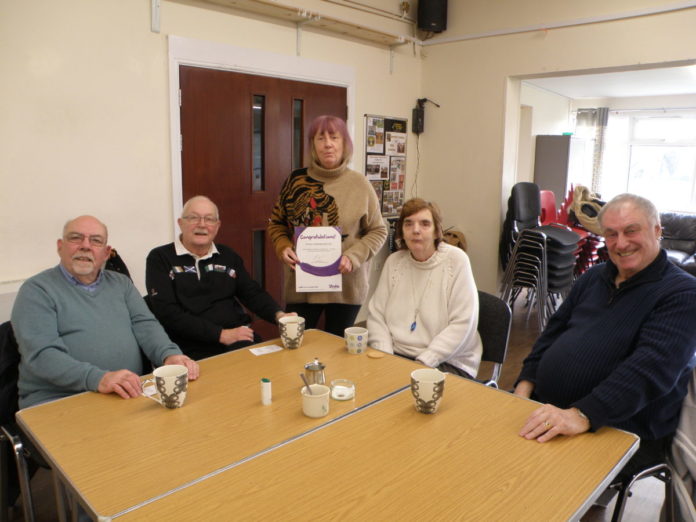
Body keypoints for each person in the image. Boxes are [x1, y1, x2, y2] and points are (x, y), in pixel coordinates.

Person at [514, 193, 696, 480]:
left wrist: (582, 415)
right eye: (611, 234)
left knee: (532, 487)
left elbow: (649, 371)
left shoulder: (683, 294)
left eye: (631, 230)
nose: (621, 243)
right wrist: (524, 387)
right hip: (549, 411)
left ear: (657, 230)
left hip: (619, 428)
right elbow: (552, 334)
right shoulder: (594, 276)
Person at [11, 215, 199, 409]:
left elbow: (146, 326)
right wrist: (99, 378)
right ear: (60, 246)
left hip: (123, 393)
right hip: (58, 400)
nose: (85, 246)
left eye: (96, 241)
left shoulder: (121, 284)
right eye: (76, 238)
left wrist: (168, 355)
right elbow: (42, 355)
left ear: (107, 253)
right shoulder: (37, 290)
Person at [268, 115, 387, 336]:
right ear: (313, 145)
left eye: (334, 137)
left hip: (346, 287)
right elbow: (277, 223)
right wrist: (282, 246)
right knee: (295, 343)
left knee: (338, 349)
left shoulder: (360, 185)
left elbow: (379, 230)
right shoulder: (295, 181)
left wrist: (354, 257)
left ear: (345, 144)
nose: (328, 144)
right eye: (320, 138)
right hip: (302, 286)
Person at [147, 195, 292, 360]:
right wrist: (220, 335)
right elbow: (167, 313)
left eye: (209, 219)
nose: (202, 224)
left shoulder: (228, 256)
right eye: (194, 218)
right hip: (186, 347)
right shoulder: (160, 258)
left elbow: (251, 293)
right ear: (181, 223)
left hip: (235, 339)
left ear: (217, 226)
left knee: (269, 367)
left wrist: (278, 315)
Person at [367, 198, 482, 379]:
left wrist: (425, 361)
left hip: (447, 360)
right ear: (401, 232)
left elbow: (463, 323)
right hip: (397, 356)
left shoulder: (457, 261)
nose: (416, 230)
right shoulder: (394, 262)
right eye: (408, 224)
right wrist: (386, 357)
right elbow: (376, 314)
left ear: (437, 231)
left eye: (425, 224)